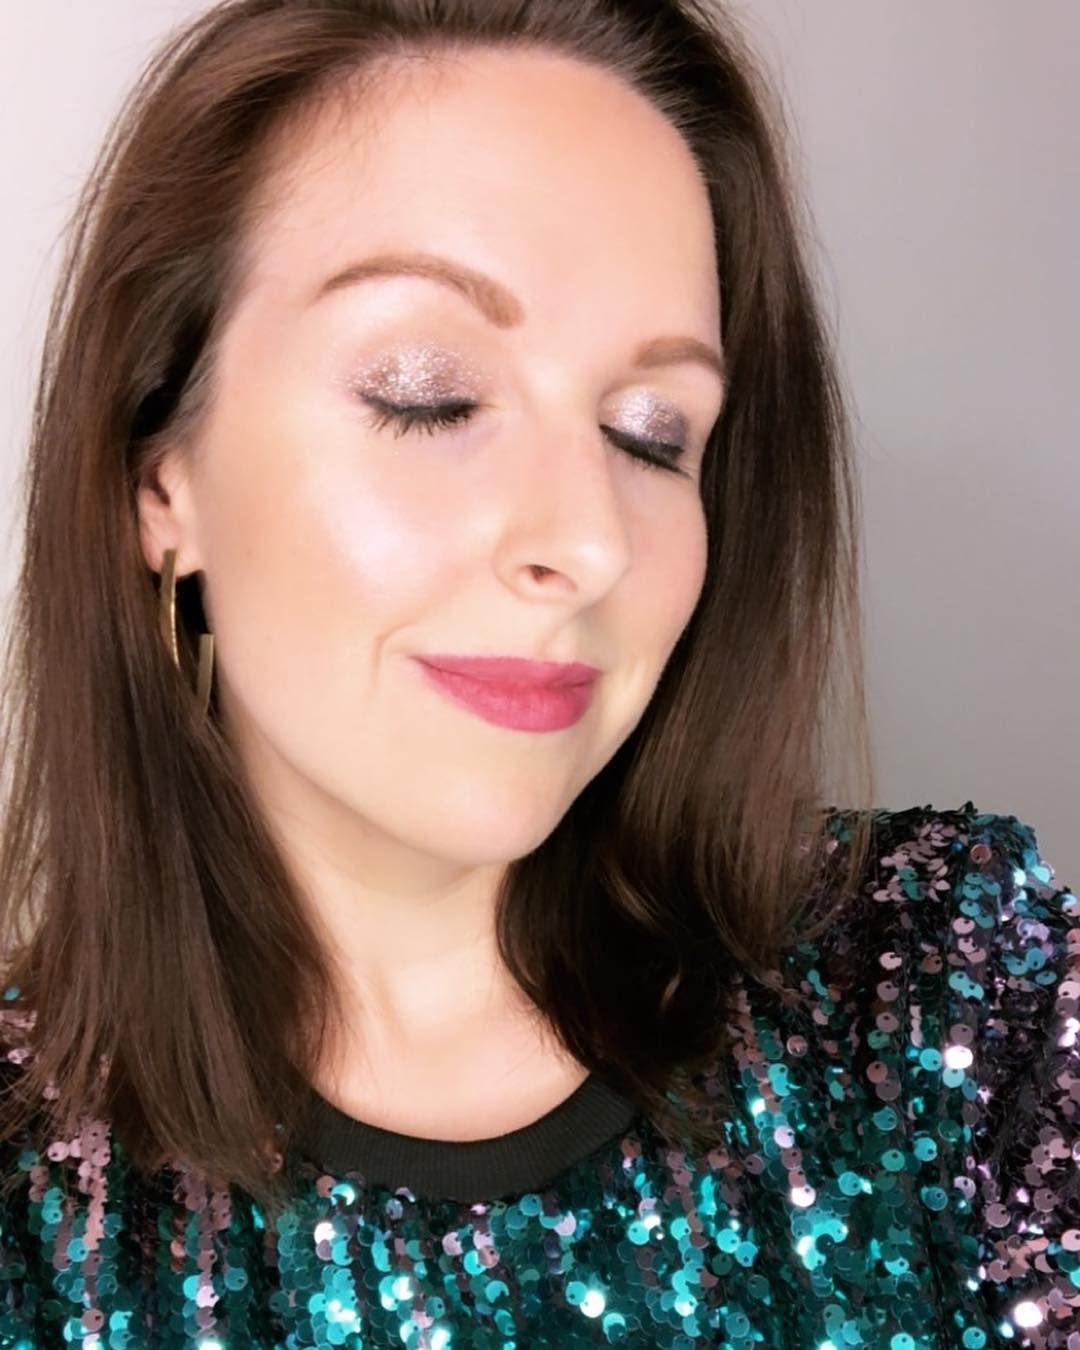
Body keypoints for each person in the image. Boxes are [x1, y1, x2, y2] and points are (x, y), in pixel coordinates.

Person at [0, 0, 1075, 1345]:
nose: (588, 540)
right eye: (429, 393)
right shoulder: (32, 1216)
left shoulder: (946, 991)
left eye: (653, 434)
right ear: (161, 480)